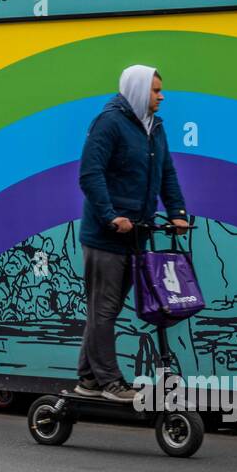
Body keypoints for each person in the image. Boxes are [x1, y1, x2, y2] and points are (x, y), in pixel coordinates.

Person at [75, 65, 189, 402]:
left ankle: (88, 379)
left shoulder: (154, 128)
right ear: (139, 91)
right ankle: (110, 382)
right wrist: (111, 217)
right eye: (155, 91)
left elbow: (167, 173)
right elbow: (90, 175)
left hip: (137, 236)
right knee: (104, 310)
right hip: (106, 236)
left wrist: (177, 213)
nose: (161, 96)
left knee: (102, 310)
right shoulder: (109, 123)